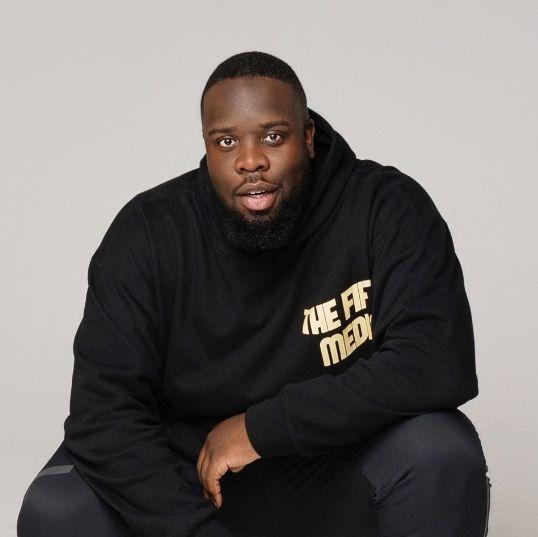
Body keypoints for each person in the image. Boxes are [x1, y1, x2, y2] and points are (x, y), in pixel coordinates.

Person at [17, 51, 492, 537]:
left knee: (439, 452)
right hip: (187, 478)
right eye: (226, 142)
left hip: (331, 469)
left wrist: (260, 428)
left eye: (273, 136)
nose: (250, 161)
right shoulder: (149, 233)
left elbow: (435, 360)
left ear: (308, 137)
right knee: (59, 509)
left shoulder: (384, 207)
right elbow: (103, 413)